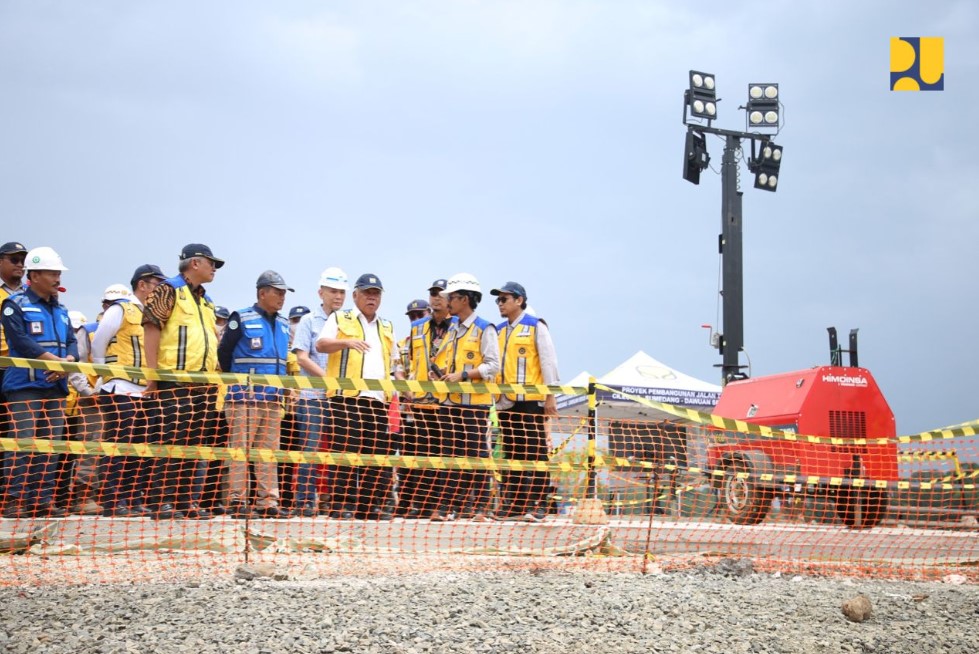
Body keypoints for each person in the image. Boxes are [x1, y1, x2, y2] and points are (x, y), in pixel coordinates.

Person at [141, 243, 225, 520]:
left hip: (204, 384)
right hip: (174, 382)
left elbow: (210, 339)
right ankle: (162, 501)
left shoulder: (206, 300)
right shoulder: (169, 290)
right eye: (211, 263)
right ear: (195, 263)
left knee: (194, 445)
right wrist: (152, 375)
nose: (214, 268)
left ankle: (185, 502)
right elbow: (152, 327)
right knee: (171, 443)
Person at [315, 273, 403, 520]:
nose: (371, 298)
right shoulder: (339, 318)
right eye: (366, 293)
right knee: (345, 453)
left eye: (376, 294)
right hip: (346, 398)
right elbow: (321, 345)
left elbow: (394, 363)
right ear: (355, 296)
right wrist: (347, 342)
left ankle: (370, 506)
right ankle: (341, 505)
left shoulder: (387, 326)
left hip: (377, 400)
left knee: (374, 454)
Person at [1, 246, 77, 519]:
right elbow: (20, 341)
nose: (58, 278)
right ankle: (14, 499)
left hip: (55, 387)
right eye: (52, 273)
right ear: (34, 275)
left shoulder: (62, 309)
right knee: (24, 442)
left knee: (50, 445)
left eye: (58, 273)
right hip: (25, 386)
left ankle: (42, 499)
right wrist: (52, 361)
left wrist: (66, 361)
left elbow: (71, 341)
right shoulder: (15, 305)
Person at [91, 264, 167, 517]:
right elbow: (99, 342)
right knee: (121, 445)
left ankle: (134, 498)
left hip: (146, 389)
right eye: (156, 283)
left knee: (142, 447)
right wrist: (106, 374)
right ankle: (114, 501)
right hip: (121, 387)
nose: (160, 289)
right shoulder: (121, 309)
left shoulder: (155, 313)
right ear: (142, 285)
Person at [217, 271, 294, 519]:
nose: (282, 297)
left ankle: (268, 502)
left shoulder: (283, 324)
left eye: (284, 292)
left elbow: (281, 361)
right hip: (244, 398)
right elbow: (224, 354)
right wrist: (239, 383)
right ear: (262, 293)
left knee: (269, 453)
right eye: (277, 291)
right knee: (240, 450)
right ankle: (237, 500)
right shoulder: (241, 318)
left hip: (272, 400)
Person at [431, 273, 499, 521]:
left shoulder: (485, 328)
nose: (447, 301)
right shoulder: (452, 329)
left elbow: (493, 366)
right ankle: (448, 506)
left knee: (476, 455)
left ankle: (479, 507)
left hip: (475, 406)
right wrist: (440, 373)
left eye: (452, 297)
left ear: (465, 299)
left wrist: (464, 375)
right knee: (449, 455)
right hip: (450, 403)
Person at [491, 281, 560, 522]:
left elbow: (548, 361)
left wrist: (550, 396)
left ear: (519, 300)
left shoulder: (535, 326)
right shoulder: (498, 330)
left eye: (504, 299)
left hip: (530, 401)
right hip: (505, 402)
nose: (500, 304)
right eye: (498, 300)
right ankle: (515, 503)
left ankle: (539, 501)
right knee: (512, 453)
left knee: (535, 452)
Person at [291, 267, 348, 517]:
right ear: (321, 292)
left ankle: (334, 503)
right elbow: (302, 357)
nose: (338, 296)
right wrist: (327, 380)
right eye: (333, 291)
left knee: (338, 452)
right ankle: (304, 502)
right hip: (312, 396)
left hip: (338, 398)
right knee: (310, 450)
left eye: (342, 292)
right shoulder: (308, 321)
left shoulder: (348, 321)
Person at [398, 287, 455, 519]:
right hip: (418, 403)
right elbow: (405, 366)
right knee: (419, 457)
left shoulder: (458, 327)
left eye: (440, 294)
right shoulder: (415, 332)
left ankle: (440, 506)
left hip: (447, 402)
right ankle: (420, 505)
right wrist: (408, 390)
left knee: (444, 456)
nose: (415, 318)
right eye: (411, 316)